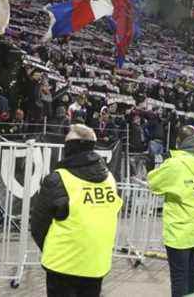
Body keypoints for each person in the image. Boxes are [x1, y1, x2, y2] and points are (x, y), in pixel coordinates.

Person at [30, 124, 123, 297]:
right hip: (96, 263)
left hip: (63, 264)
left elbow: (37, 225)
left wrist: (53, 248)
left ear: (71, 147)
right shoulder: (110, 179)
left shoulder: (58, 179)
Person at [148, 125, 194, 297]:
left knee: (179, 277)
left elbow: (153, 182)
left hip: (179, 231)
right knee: (192, 273)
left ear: (179, 142)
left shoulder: (175, 164)